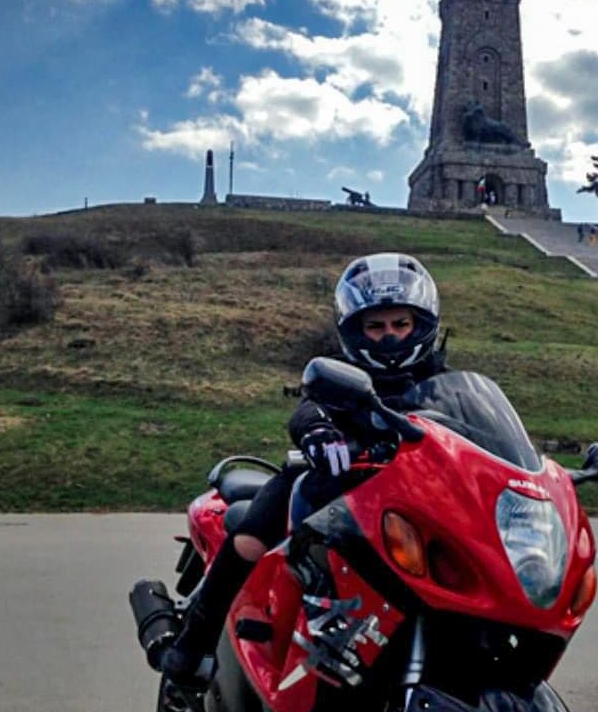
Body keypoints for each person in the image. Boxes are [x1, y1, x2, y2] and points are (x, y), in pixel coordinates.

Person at [158, 253, 446, 682]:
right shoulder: (339, 372)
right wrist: (319, 433)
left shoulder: (444, 382)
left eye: (400, 325)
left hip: (410, 494)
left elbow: (477, 426)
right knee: (251, 543)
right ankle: (190, 645)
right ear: (355, 330)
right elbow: (308, 409)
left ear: (420, 325)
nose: (389, 338)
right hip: (333, 481)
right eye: (376, 326)